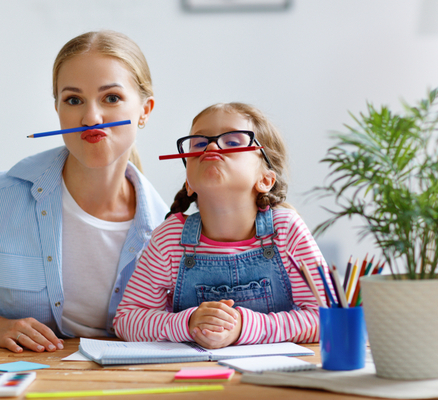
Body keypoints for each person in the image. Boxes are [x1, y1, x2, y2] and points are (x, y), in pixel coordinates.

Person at [0, 31, 168, 353]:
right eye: (73, 100)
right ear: (58, 109)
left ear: (145, 109)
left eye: (111, 98)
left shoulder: (167, 231)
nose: (91, 117)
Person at [113, 102, 328, 349]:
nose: (213, 146)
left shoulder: (286, 231)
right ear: (189, 184)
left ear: (265, 179)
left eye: (233, 141)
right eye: (199, 144)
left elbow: (328, 316)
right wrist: (187, 323)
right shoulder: (169, 238)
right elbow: (126, 319)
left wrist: (244, 327)